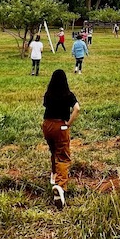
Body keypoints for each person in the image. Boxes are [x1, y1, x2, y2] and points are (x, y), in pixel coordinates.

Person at [41, 69, 80, 210]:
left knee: (54, 151)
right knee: (63, 156)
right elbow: (77, 109)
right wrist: (68, 124)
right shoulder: (68, 95)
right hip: (60, 125)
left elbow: (46, 106)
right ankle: (60, 186)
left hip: (47, 125)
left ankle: (54, 175)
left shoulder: (48, 94)